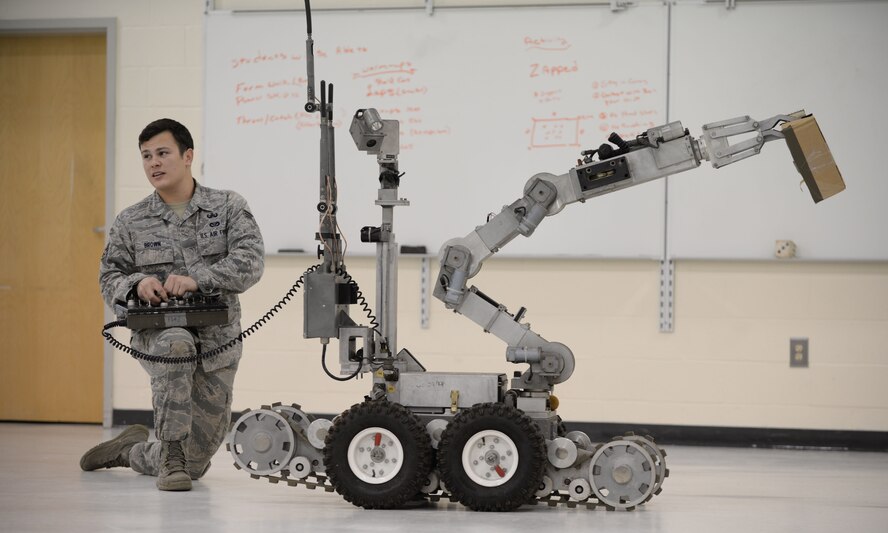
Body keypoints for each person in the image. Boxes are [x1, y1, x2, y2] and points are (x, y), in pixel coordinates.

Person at [80, 118, 265, 491]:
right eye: (146, 156)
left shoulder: (227, 206)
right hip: (157, 336)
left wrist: (200, 279)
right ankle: (171, 459)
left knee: (197, 462)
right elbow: (108, 276)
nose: (154, 163)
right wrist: (137, 283)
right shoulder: (131, 221)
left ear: (188, 156)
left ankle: (131, 450)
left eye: (163, 153)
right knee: (175, 341)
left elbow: (252, 261)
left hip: (218, 341)